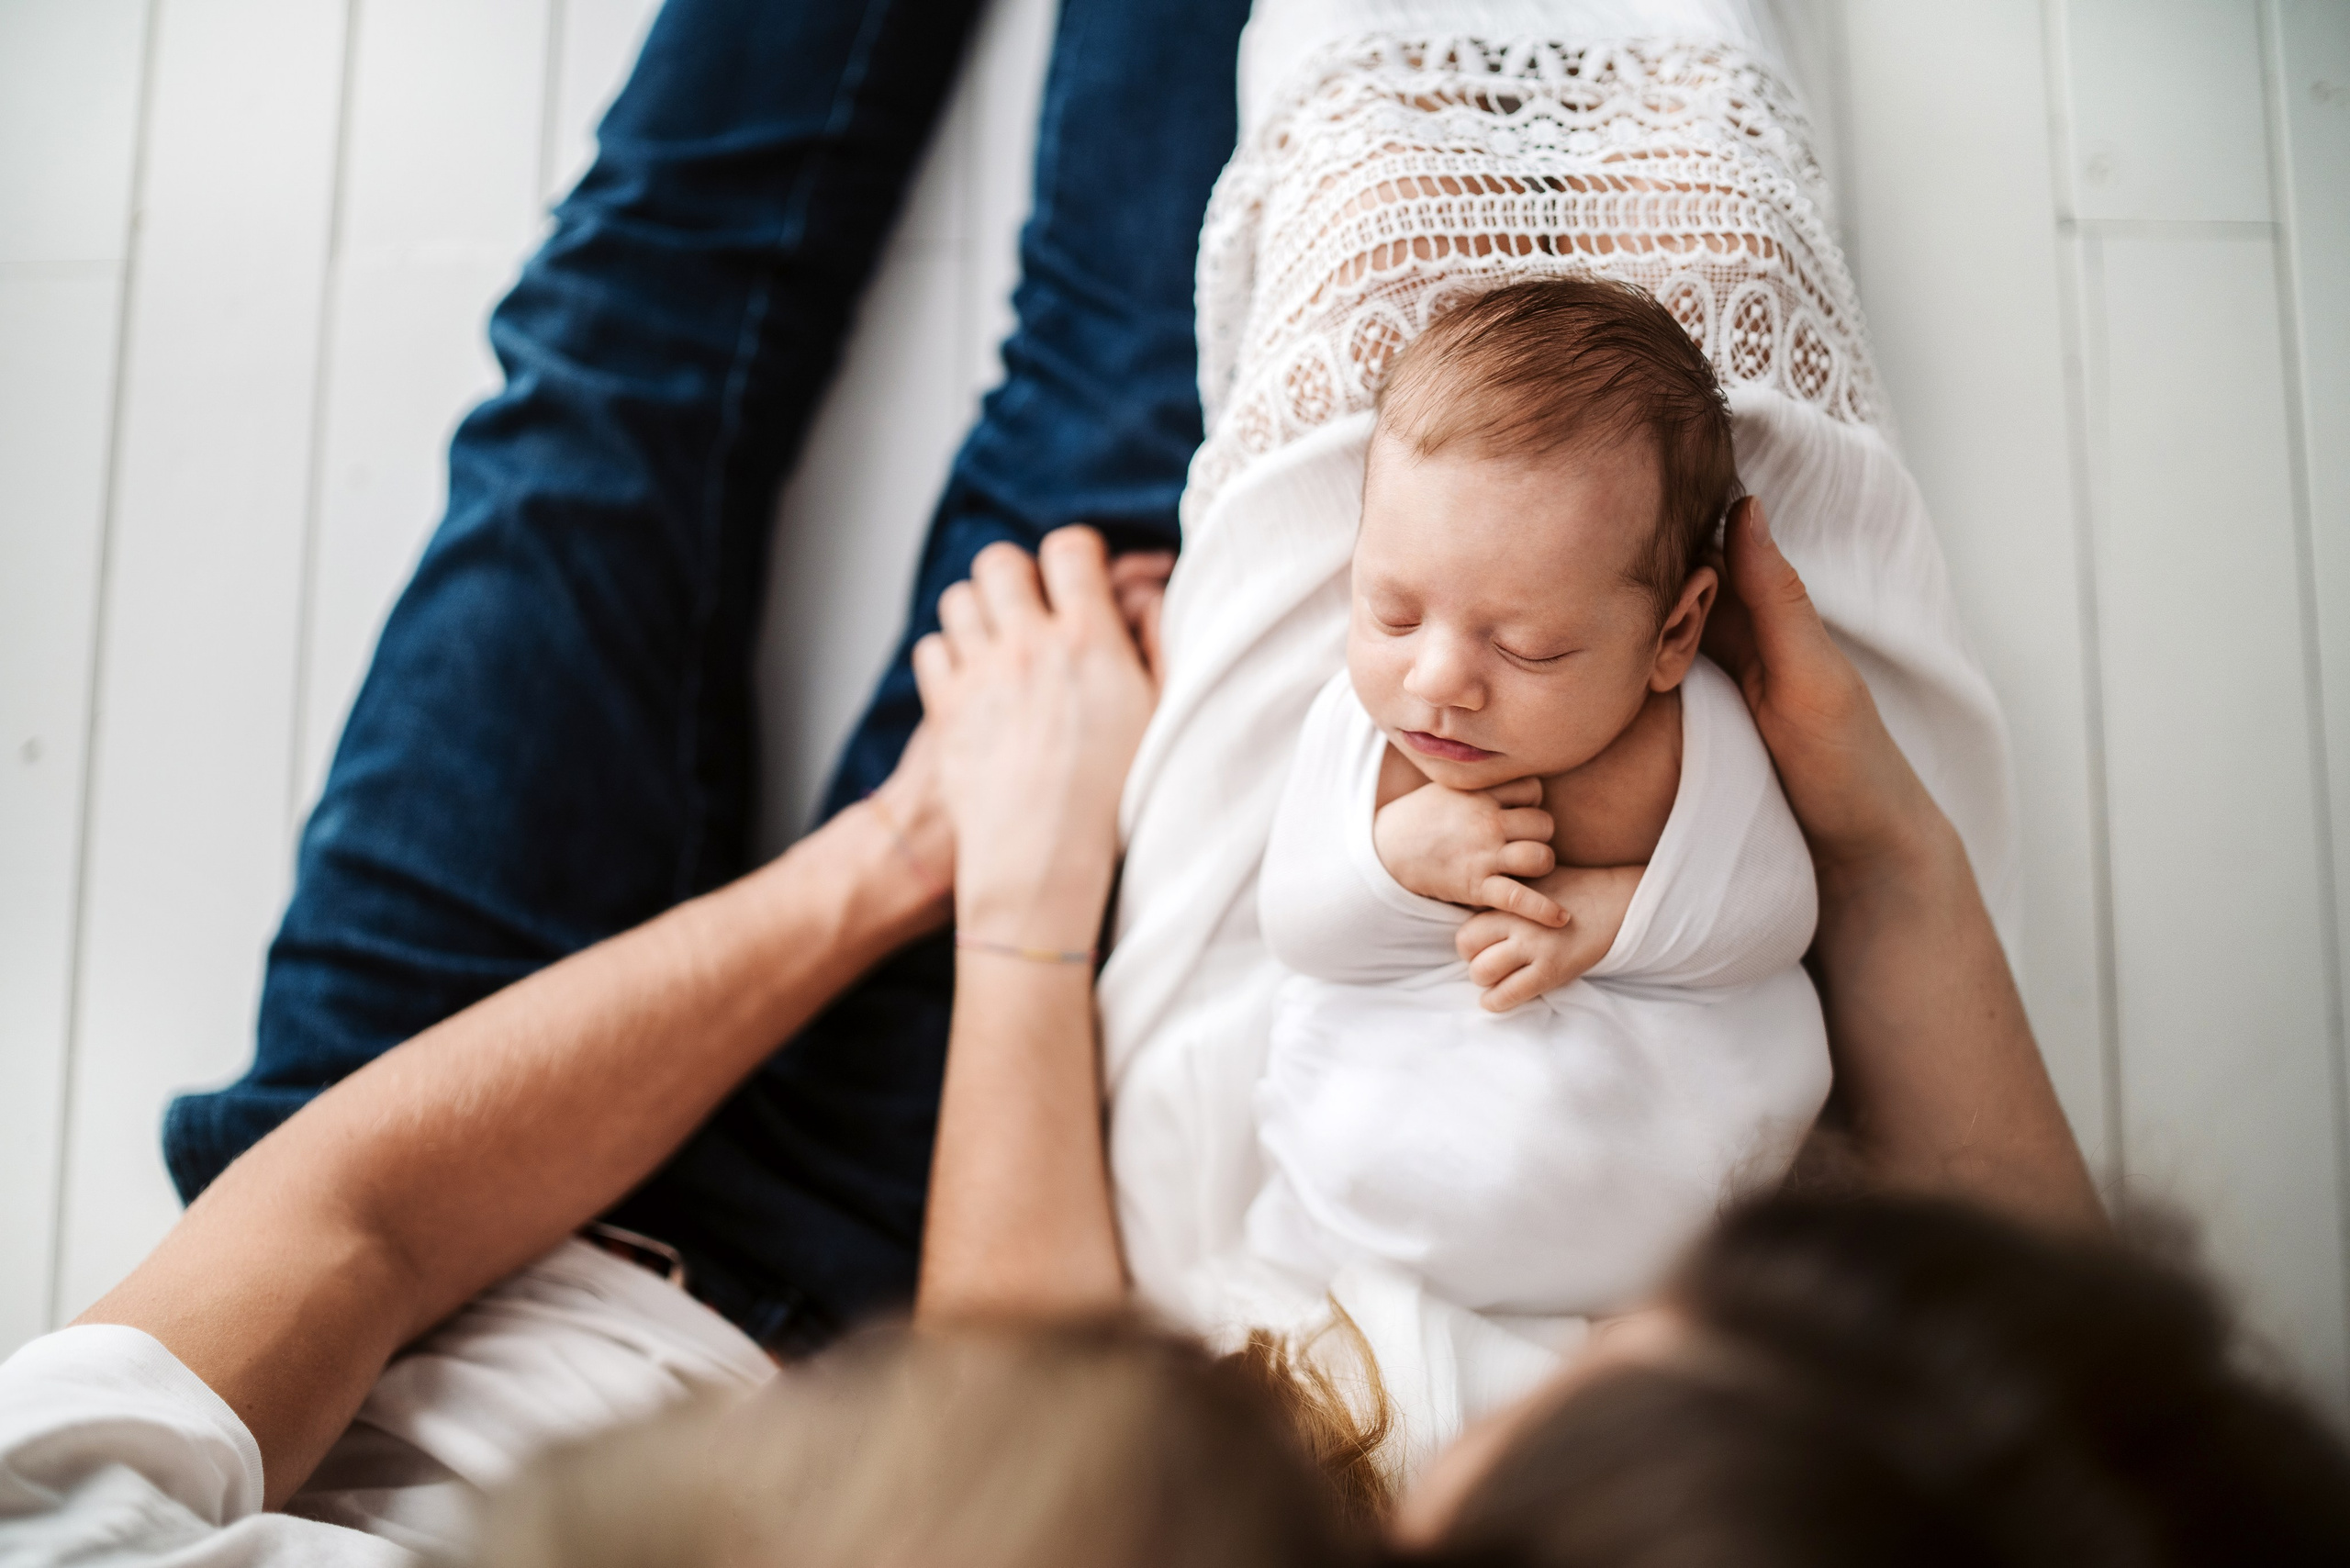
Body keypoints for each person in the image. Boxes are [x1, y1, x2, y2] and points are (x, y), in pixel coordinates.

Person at [160, 0, 1253, 1354]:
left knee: (613, 358)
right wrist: (1006, 886)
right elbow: (1013, 1455)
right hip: (809, 1321)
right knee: (1115, 468)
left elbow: (363, 1225)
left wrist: (902, 851)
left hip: (381, 1136)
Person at [1248, 275, 1830, 1321]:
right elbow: (1295, 924)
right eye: (1389, 611)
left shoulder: (1692, 741)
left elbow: (1776, 913)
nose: (1436, 682)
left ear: (1673, 633)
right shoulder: (1359, 736)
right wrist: (1390, 862)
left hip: (1663, 1226)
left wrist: (1613, 921)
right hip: (1368, 1199)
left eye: (1526, 646)